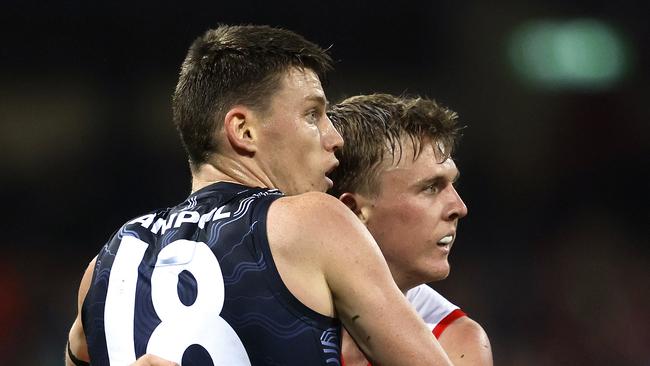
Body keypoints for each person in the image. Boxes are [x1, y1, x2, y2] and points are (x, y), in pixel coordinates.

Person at [65, 25, 455, 366]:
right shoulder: (313, 220)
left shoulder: (110, 259)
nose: (335, 139)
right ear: (243, 130)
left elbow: (78, 347)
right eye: (312, 115)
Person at [327, 94, 493, 365]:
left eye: (453, 185)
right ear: (354, 211)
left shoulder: (456, 343)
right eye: (430, 187)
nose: (459, 207)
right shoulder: (274, 311)